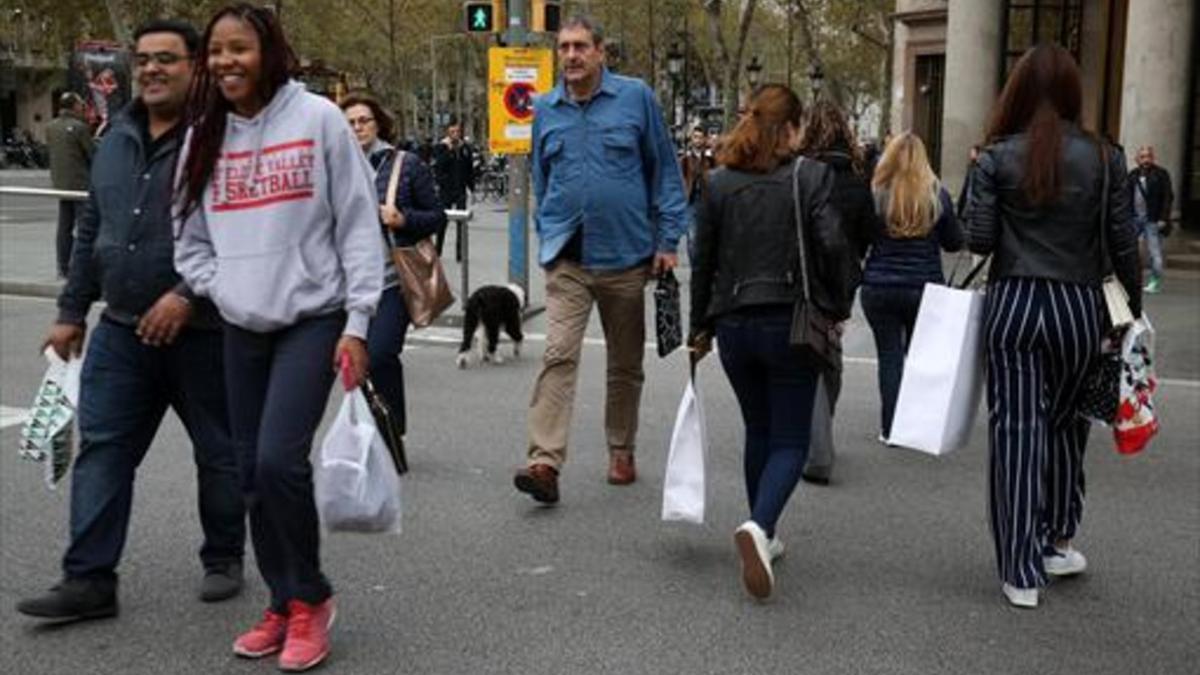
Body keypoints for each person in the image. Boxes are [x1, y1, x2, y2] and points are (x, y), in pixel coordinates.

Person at [16, 18, 245, 625]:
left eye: (166, 59)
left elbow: (243, 235)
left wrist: (185, 295)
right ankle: (88, 580)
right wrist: (71, 312)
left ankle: (224, 556)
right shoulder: (115, 136)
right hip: (121, 330)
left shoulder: (223, 139)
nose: (150, 69)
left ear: (196, 67)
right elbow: (96, 226)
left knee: (218, 454)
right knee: (104, 452)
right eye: (142, 59)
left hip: (205, 331)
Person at [174, 4, 382, 669]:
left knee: (276, 461)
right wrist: (222, 284)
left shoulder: (319, 118)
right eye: (216, 51)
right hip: (240, 322)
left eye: (239, 48)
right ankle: (282, 599)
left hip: (312, 316)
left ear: (269, 51)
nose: (225, 61)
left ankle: (312, 597)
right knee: (249, 474)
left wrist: (358, 322)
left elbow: (356, 223)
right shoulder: (202, 135)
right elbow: (189, 238)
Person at [968, 44, 1141, 609]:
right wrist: (1131, 313)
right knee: (1069, 423)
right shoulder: (1107, 158)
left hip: (1015, 301)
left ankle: (1019, 570)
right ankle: (1056, 539)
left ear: (1016, 91)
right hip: (1079, 305)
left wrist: (981, 182)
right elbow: (1122, 243)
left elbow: (979, 240)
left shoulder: (997, 158)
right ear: (1071, 92)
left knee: (1016, 431)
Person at [512, 15, 688, 504]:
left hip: (626, 258)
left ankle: (621, 448)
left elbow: (666, 174)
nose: (570, 55)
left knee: (625, 363)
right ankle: (544, 462)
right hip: (566, 259)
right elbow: (542, 180)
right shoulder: (546, 107)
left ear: (600, 52)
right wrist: (545, 232)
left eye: (580, 47)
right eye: (563, 47)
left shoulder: (636, 99)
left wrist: (668, 241)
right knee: (557, 354)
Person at [689, 84, 855, 599]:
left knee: (758, 429)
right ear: (790, 129)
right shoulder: (812, 176)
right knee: (790, 439)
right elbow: (832, 247)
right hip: (791, 323)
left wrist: (700, 327)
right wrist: (839, 306)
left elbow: (704, 261)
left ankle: (766, 531)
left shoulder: (718, 183)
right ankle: (760, 526)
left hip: (735, 324)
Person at [341, 92, 446, 454]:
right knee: (353, 360)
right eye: (350, 122)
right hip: (346, 282)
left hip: (392, 279)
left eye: (363, 120)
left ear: (378, 123)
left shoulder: (406, 163)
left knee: (381, 353)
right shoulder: (335, 164)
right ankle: (370, 432)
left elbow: (436, 215)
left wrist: (403, 219)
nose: (357, 128)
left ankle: (390, 427)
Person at [794, 99, 876, 484]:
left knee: (807, 355)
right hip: (841, 281)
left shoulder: (798, 175)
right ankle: (819, 430)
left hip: (803, 276)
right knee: (829, 358)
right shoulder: (857, 181)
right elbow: (867, 233)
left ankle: (811, 438)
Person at [862, 132, 962, 442]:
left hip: (879, 285)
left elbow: (861, 238)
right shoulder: (936, 195)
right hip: (924, 287)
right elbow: (954, 242)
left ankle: (891, 427)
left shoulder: (876, 194)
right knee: (920, 359)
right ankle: (921, 425)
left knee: (889, 356)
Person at [45, 92, 95, 278]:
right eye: (81, 104)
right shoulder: (79, 127)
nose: (82, 107)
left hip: (60, 183)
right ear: (74, 106)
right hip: (80, 184)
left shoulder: (50, 127)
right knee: (85, 227)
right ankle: (82, 267)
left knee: (64, 226)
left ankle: (62, 266)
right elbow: (92, 154)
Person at [1128, 145, 1174, 294]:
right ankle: (1132, 279)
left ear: (1153, 158)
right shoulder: (1133, 175)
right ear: (1137, 159)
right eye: (1142, 156)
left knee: (1155, 252)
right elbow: (1125, 196)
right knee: (1128, 250)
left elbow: (1168, 197)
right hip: (1134, 218)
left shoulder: (1161, 174)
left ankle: (1154, 281)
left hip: (1152, 219)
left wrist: (1163, 218)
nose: (1145, 159)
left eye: (1148, 156)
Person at [431, 121, 474, 260]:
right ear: (448, 133)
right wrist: (448, 150)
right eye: (452, 132)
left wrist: (471, 188)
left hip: (460, 189)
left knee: (461, 222)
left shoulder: (465, 148)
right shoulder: (440, 147)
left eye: (457, 131)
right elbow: (438, 167)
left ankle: (460, 253)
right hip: (446, 190)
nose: (455, 135)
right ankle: (438, 251)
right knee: (442, 221)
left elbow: (469, 169)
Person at [679, 125, 715, 261]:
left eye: (700, 137)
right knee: (692, 238)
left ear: (705, 139)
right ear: (691, 139)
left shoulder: (711, 159)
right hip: (691, 201)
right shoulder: (685, 159)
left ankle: (703, 269)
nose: (697, 140)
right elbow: (680, 179)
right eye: (695, 137)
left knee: (706, 238)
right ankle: (695, 269)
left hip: (707, 202)